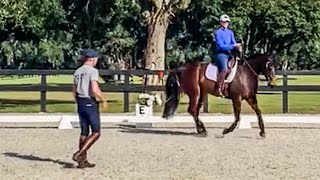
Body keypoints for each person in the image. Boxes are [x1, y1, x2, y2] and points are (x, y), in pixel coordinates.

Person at [72, 48, 107, 168]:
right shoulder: (92, 71)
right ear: (93, 59)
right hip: (89, 102)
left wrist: (77, 100)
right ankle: (79, 154)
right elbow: (94, 88)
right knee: (96, 132)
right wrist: (103, 99)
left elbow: (74, 89)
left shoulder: (77, 71)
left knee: (84, 132)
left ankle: (83, 160)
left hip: (80, 101)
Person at [213, 14, 241, 96]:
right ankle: (219, 87)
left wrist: (237, 47)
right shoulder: (218, 33)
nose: (226, 23)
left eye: (227, 22)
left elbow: (233, 42)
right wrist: (233, 46)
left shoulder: (230, 33)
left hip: (230, 54)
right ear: (220, 22)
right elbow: (221, 46)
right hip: (221, 54)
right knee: (224, 69)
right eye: (224, 22)